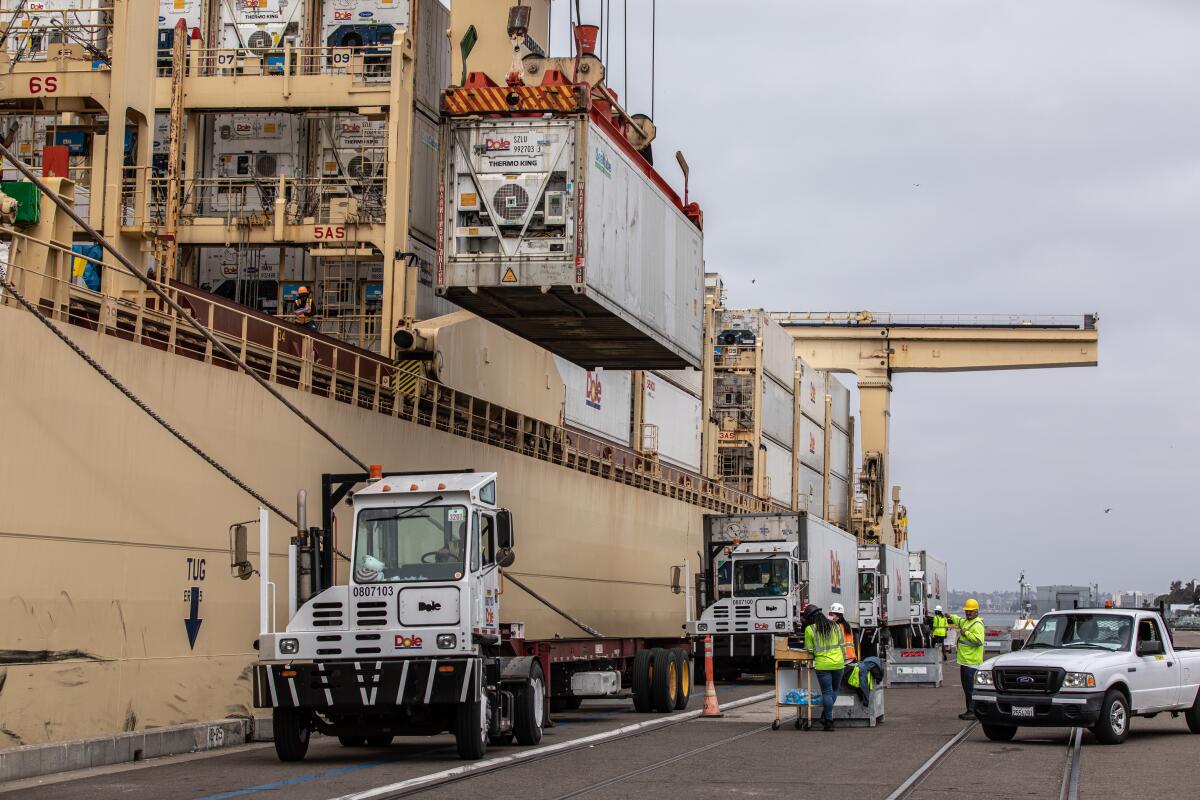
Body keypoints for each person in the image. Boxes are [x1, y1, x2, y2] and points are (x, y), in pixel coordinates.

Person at [804, 605, 847, 731]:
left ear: (811, 618)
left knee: (827, 692)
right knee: (835, 690)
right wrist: (844, 660)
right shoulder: (836, 626)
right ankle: (826, 715)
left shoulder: (809, 629)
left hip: (822, 665)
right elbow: (842, 644)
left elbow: (809, 649)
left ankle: (829, 721)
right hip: (839, 663)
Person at [947, 599, 986, 720]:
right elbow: (958, 620)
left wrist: (966, 633)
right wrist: (949, 615)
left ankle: (973, 711)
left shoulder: (977, 625)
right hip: (965, 662)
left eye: (970, 611)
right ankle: (970, 710)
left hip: (972, 663)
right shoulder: (966, 622)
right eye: (966, 611)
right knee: (967, 688)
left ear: (976, 612)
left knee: (970, 689)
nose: (968, 613)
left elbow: (979, 641)